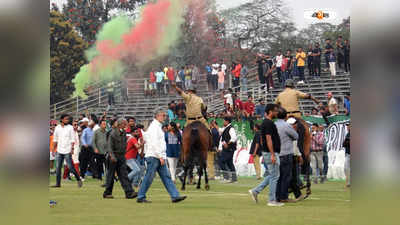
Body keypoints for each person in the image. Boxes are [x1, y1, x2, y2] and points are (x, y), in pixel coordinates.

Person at [137, 109, 187, 203]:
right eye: (163, 115)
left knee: (166, 176)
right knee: (149, 177)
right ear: (157, 116)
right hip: (154, 156)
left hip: (158, 156)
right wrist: (160, 156)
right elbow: (154, 143)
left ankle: (175, 196)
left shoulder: (157, 126)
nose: (164, 117)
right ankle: (140, 196)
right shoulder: (154, 127)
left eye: (164, 115)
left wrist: (161, 156)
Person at [248, 104, 283, 206]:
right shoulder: (268, 123)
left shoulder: (265, 123)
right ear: (270, 111)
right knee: (275, 176)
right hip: (271, 153)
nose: (277, 113)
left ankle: (255, 191)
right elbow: (268, 139)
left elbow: (263, 140)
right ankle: (271, 200)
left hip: (267, 152)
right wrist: (272, 154)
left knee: (273, 175)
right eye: (275, 111)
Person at [103, 118, 138, 199]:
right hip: (113, 156)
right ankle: (107, 193)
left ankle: (129, 192)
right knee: (111, 175)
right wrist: (112, 156)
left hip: (121, 156)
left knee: (124, 175)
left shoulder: (124, 132)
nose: (126, 125)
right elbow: (109, 146)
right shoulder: (112, 133)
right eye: (124, 124)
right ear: (120, 124)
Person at [50, 114, 83, 188]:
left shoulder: (70, 128)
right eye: (65, 119)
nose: (67, 120)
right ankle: (58, 184)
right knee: (58, 168)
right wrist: (53, 149)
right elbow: (55, 139)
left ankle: (78, 179)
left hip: (67, 150)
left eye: (68, 119)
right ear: (61, 120)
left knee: (71, 167)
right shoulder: (57, 128)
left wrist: (72, 149)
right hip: (59, 150)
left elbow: (72, 139)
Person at [275, 107, 298, 203]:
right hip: (286, 153)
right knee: (286, 176)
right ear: (285, 117)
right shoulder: (286, 125)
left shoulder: (274, 124)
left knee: (278, 177)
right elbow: (296, 136)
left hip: (277, 153)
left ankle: (277, 196)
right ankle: (284, 196)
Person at [216, 117, 238, 183]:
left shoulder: (231, 128)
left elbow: (234, 138)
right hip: (227, 149)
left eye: (224, 121)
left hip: (229, 148)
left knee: (221, 161)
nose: (223, 122)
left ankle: (227, 177)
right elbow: (220, 130)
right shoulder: (225, 128)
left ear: (227, 121)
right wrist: (215, 125)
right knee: (229, 163)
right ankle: (234, 179)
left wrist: (228, 144)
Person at [92, 120, 108, 185]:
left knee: (107, 165)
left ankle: (107, 177)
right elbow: (93, 141)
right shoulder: (96, 132)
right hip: (98, 151)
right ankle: (99, 177)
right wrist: (95, 148)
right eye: (103, 124)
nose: (104, 125)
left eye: (105, 124)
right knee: (99, 164)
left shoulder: (107, 132)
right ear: (100, 125)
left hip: (105, 151)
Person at [343, 123, 350, 188]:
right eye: (347, 126)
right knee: (345, 168)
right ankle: (348, 182)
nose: (347, 127)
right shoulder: (347, 134)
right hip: (348, 153)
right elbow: (344, 144)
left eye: (348, 126)